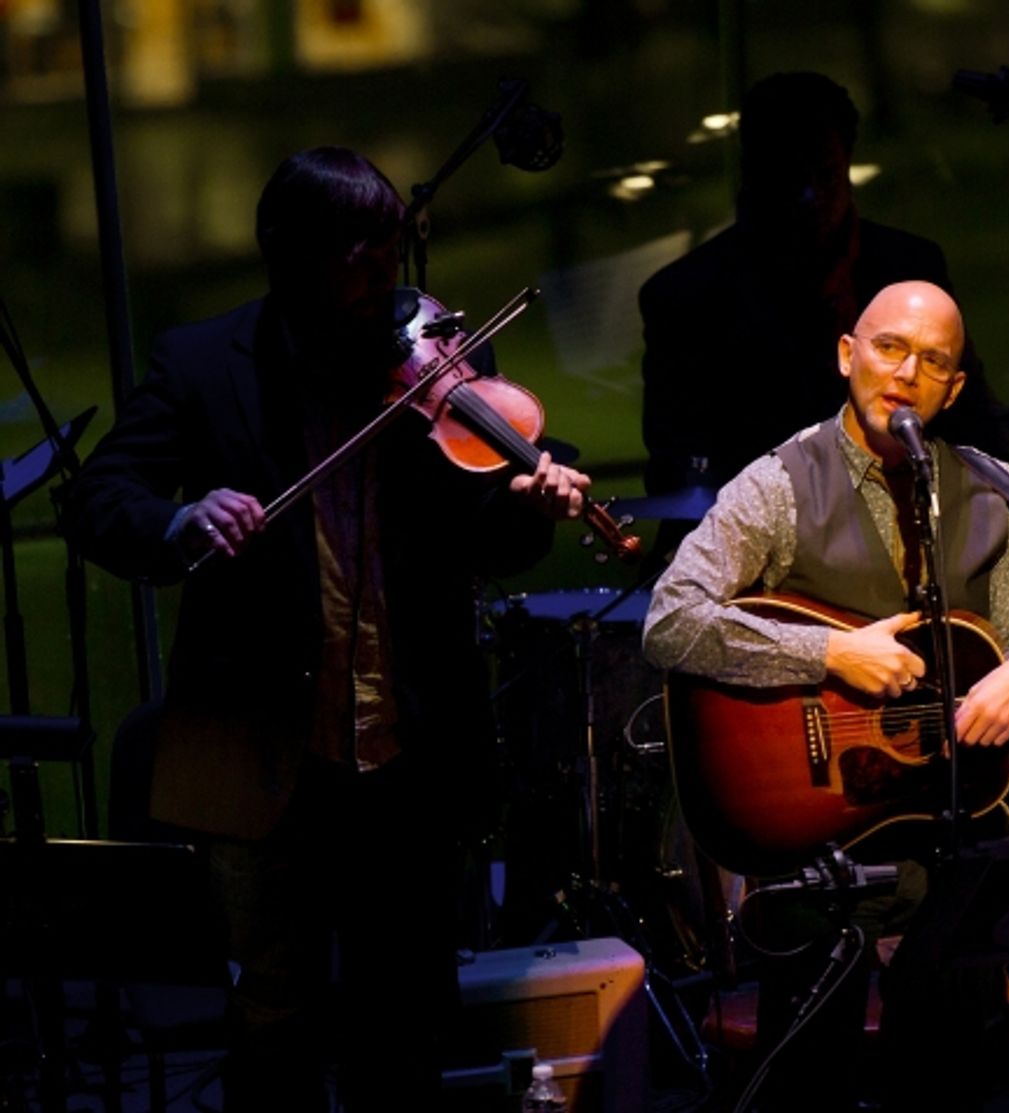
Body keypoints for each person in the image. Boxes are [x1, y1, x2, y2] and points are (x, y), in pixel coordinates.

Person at [66, 146, 590, 1111]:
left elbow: (489, 540)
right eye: (356, 260)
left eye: (389, 257)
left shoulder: (436, 358)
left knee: (408, 1019)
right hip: (265, 753)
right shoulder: (203, 363)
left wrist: (531, 498)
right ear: (288, 256)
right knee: (275, 1017)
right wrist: (181, 519)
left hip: (411, 752)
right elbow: (100, 498)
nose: (382, 284)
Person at [642, 280, 1009, 1110]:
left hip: (946, 844)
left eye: (933, 361)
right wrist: (829, 651)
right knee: (814, 1084)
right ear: (847, 356)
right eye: (888, 348)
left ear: (953, 389)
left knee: (962, 1069)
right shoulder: (778, 484)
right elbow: (670, 619)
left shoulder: (985, 491)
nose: (906, 373)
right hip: (813, 840)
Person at [639, 71, 1009, 513]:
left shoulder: (910, 266)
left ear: (846, 165)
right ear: (751, 173)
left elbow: (972, 421)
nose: (809, 197)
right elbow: (678, 474)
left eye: (824, 175)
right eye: (788, 178)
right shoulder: (686, 298)